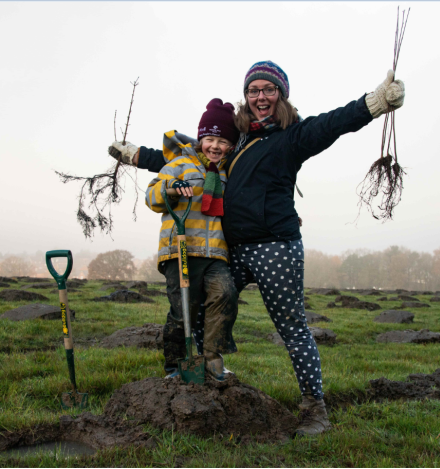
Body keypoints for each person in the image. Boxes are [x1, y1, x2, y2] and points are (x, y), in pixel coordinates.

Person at [110, 60, 405, 436]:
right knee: (199, 307)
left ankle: (315, 408)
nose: (260, 96)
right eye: (253, 90)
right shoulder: (239, 138)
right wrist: (137, 156)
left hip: (275, 248)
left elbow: (333, 122)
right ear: (246, 97)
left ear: (280, 94)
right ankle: (200, 378)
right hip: (228, 249)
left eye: (268, 89)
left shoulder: (292, 136)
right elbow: (192, 158)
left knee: (292, 327)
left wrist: (375, 102)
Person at [144, 98, 240, 381]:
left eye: (223, 141)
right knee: (182, 310)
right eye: (210, 138)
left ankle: (212, 359)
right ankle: (175, 367)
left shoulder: (226, 172)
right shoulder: (180, 164)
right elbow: (151, 195)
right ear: (201, 139)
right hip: (180, 249)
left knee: (225, 294)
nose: (215, 146)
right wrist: (171, 188)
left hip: (215, 253)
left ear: (231, 146)